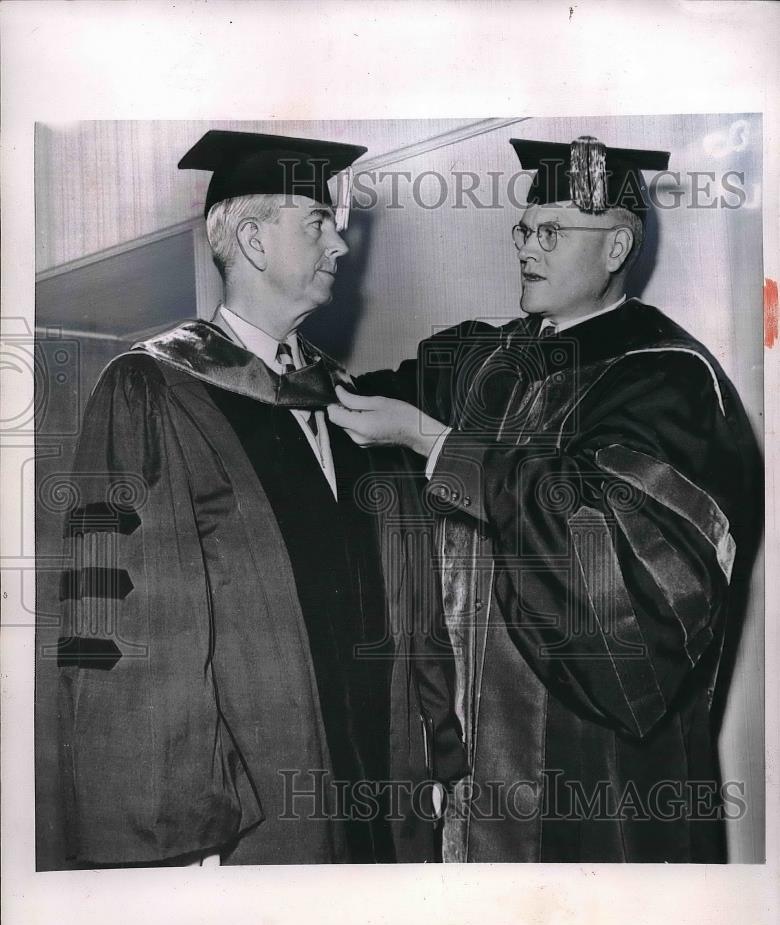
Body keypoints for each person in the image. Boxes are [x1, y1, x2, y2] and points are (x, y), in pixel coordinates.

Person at [329, 135, 762, 862]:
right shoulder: (483, 362)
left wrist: (440, 446)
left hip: (598, 773)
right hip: (471, 772)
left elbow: (613, 572)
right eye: (523, 229)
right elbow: (362, 401)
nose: (527, 247)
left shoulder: (671, 382)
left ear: (618, 246)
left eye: (551, 232)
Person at [57, 130, 466, 867]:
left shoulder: (349, 401)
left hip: (385, 795)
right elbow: (133, 631)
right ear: (251, 240)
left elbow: (413, 598)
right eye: (317, 224)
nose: (341, 247)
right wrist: (176, 834)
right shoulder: (153, 392)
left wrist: (436, 757)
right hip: (256, 819)